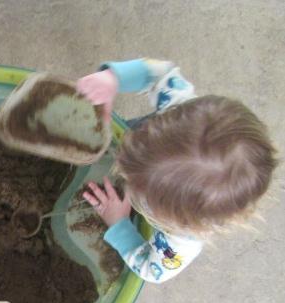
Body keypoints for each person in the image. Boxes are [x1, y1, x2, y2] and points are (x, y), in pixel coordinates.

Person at [73, 58, 276, 283]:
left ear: (174, 218)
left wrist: (120, 224)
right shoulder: (184, 113)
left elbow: (152, 269)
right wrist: (113, 78)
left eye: (137, 185)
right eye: (139, 144)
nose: (123, 173)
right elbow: (159, 73)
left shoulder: (183, 237)